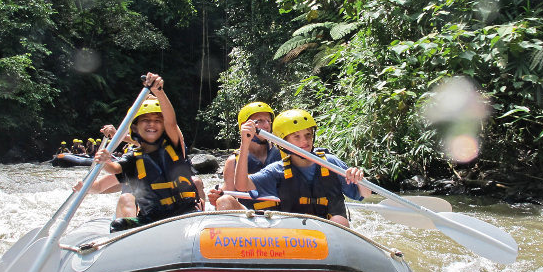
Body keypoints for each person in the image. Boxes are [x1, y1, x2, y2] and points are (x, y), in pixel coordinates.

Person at [88, 73, 201, 232]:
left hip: (185, 211)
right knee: (121, 216)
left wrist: (159, 92)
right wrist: (105, 162)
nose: (152, 124)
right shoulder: (134, 158)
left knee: (197, 182)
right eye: (146, 120)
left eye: (156, 120)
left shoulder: (173, 145)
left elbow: (170, 122)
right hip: (152, 218)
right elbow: (109, 174)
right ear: (135, 127)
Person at [234, 109, 371, 227]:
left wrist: (359, 178)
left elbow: (366, 194)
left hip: (332, 233)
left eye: (308, 135)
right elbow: (242, 185)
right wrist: (245, 143)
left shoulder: (330, 163)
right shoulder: (278, 170)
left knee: (339, 220)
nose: (304, 141)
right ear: (283, 142)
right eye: (296, 137)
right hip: (297, 236)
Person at [212, 102, 281, 211]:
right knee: (224, 201)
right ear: (245, 125)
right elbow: (228, 195)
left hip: (283, 213)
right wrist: (217, 198)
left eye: (269, 121)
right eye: (260, 121)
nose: (267, 125)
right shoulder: (233, 161)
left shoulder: (282, 153)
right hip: (249, 215)